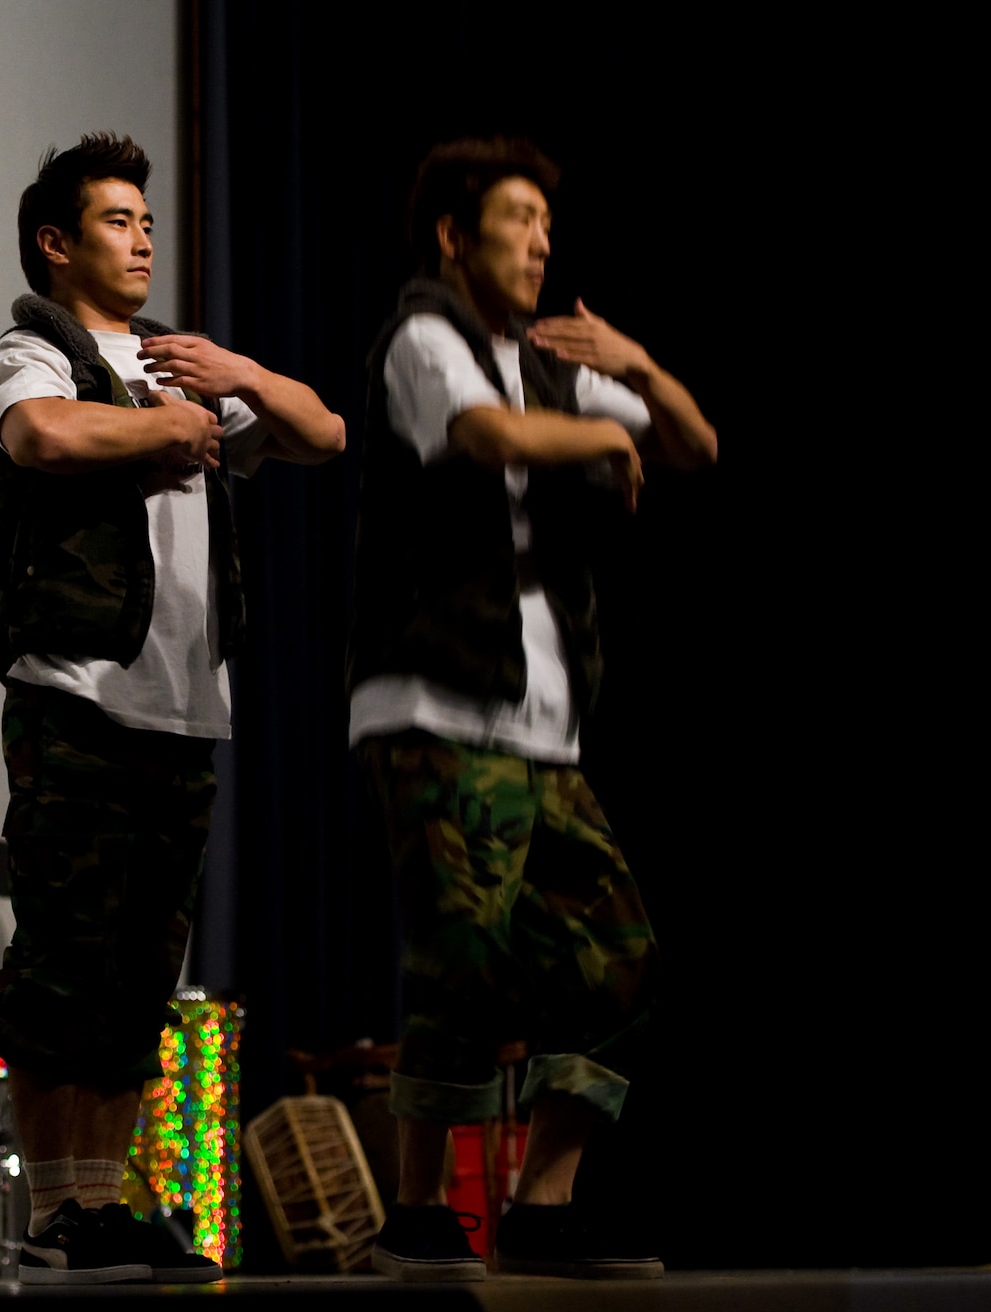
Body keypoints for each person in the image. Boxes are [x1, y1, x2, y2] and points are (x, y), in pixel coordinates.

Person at [0, 133, 344, 1285]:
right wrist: (171, 424)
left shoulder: (182, 364)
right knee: (65, 963)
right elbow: (41, 435)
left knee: (140, 973)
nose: (141, 240)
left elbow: (322, 434)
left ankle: (100, 1197)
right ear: (56, 243)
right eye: (116, 221)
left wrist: (235, 375)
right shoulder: (31, 350)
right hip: (77, 699)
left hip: (183, 713)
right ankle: (53, 1209)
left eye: (146, 221)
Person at [352, 137, 717, 1281]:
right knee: (462, 959)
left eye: (546, 226)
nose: (539, 242)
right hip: (438, 705)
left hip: (542, 728)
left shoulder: (551, 365)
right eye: (517, 219)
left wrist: (635, 367)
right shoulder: (424, 337)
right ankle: (415, 1214)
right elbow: (488, 437)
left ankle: (540, 1206)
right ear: (452, 236)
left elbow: (694, 443)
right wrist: (606, 435)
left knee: (617, 959)